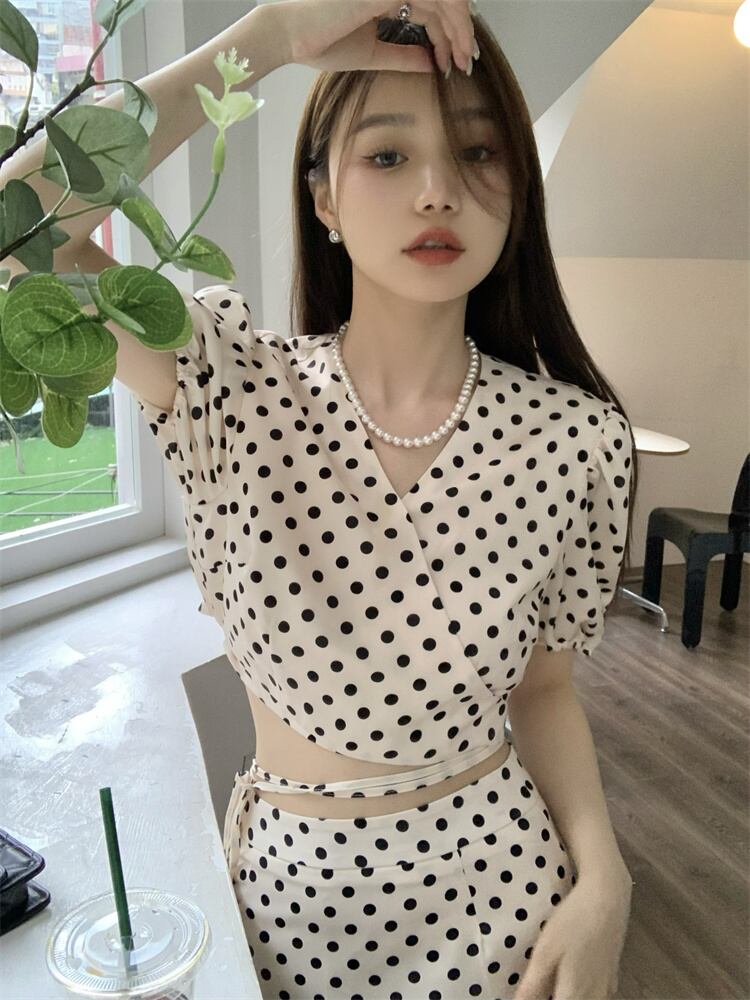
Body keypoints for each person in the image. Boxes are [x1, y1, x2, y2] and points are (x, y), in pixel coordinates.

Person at [2, 2, 637, 996]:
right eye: (386, 155)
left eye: (479, 152)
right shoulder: (229, 386)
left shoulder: (578, 442)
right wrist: (269, 38)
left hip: (507, 899)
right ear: (324, 198)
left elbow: (545, 692)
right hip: (291, 913)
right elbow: (18, 230)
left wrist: (603, 877)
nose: (437, 190)